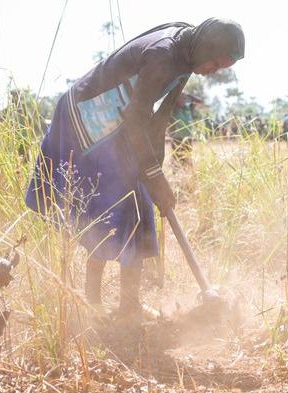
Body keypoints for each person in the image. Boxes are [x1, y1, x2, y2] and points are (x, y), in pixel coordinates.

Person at [25, 19, 245, 320]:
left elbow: (158, 116)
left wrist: (154, 170)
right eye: (216, 62)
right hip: (87, 120)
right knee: (109, 208)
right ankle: (94, 303)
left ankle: (128, 305)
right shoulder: (165, 56)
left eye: (221, 67)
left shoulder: (186, 51)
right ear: (205, 47)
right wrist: (154, 177)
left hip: (120, 124)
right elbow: (136, 117)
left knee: (137, 207)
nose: (213, 71)